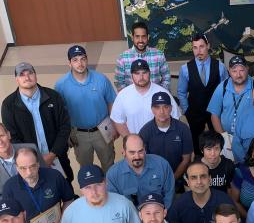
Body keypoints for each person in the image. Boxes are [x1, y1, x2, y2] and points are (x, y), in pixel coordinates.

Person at [1, 62, 73, 182]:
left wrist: (52, 155)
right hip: (29, 163)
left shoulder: (53, 96)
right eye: (22, 74)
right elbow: (12, 136)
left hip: (58, 156)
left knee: (65, 186)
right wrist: (35, 159)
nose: (27, 77)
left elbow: (64, 127)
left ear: (36, 75)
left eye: (30, 73)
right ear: (17, 79)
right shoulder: (8, 105)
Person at [55, 45, 116, 173]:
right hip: (79, 135)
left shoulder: (101, 79)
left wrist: (114, 127)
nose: (80, 63)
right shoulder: (61, 85)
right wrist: (67, 134)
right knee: (86, 170)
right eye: (75, 60)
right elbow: (60, 113)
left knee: (109, 165)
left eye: (83, 59)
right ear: (69, 63)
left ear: (87, 60)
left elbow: (111, 103)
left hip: (102, 130)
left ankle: (111, 191)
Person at [177, 33, 228, 154]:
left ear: (208, 46)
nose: (198, 51)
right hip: (194, 112)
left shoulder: (220, 66)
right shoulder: (185, 68)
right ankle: (199, 163)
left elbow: (225, 90)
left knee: (217, 140)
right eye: (195, 47)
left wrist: (222, 109)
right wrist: (187, 110)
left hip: (215, 113)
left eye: (201, 46)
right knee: (197, 141)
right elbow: (181, 91)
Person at [110, 60, 180, 137]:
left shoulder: (163, 93)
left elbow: (175, 118)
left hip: (160, 142)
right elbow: (118, 120)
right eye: (137, 73)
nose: (141, 77)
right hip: (136, 145)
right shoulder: (123, 95)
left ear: (150, 73)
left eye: (144, 72)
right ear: (131, 75)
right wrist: (129, 140)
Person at [139, 92, 193, 190]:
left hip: (178, 180)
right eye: (157, 107)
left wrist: (171, 179)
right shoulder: (145, 132)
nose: (162, 111)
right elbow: (143, 160)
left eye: (165, 107)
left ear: (171, 108)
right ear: (152, 110)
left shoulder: (183, 129)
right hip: (153, 181)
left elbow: (186, 159)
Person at [106, 134, 175, 209]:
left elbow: (169, 194)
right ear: (123, 152)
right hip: (130, 217)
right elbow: (114, 203)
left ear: (145, 149)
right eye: (132, 152)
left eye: (140, 151)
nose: (137, 157)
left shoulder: (162, 165)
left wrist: (162, 214)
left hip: (159, 215)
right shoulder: (113, 174)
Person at [168, 161, 233, 223]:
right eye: (193, 177)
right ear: (188, 182)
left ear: (210, 179)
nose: (199, 182)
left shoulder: (224, 201)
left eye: (203, 176)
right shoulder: (178, 205)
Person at [114, 21, 170, 91]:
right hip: (133, 98)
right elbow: (119, 83)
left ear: (148, 37)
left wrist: (160, 93)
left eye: (143, 36)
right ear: (132, 37)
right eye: (137, 36)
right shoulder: (122, 59)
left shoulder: (159, 55)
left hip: (155, 97)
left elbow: (166, 77)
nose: (140, 40)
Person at [207, 55, 254, 136]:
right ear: (229, 71)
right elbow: (214, 115)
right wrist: (224, 137)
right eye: (234, 71)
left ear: (247, 69)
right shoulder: (222, 87)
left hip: (248, 137)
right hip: (226, 135)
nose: (238, 75)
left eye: (241, 70)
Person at [0, 122, 45, 196]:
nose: (0, 141)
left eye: (1, 135)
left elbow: (46, 175)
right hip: (12, 205)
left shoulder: (31, 148)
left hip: (40, 198)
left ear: (8, 135)